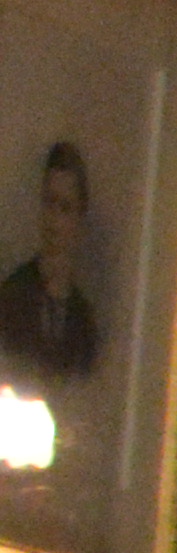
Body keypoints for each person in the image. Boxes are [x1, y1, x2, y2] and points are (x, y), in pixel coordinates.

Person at [0, 145, 95, 381]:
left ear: (79, 220)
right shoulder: (11, 297)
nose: (53, 221)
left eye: (64, 208)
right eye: (49, 204)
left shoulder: (84, 322)